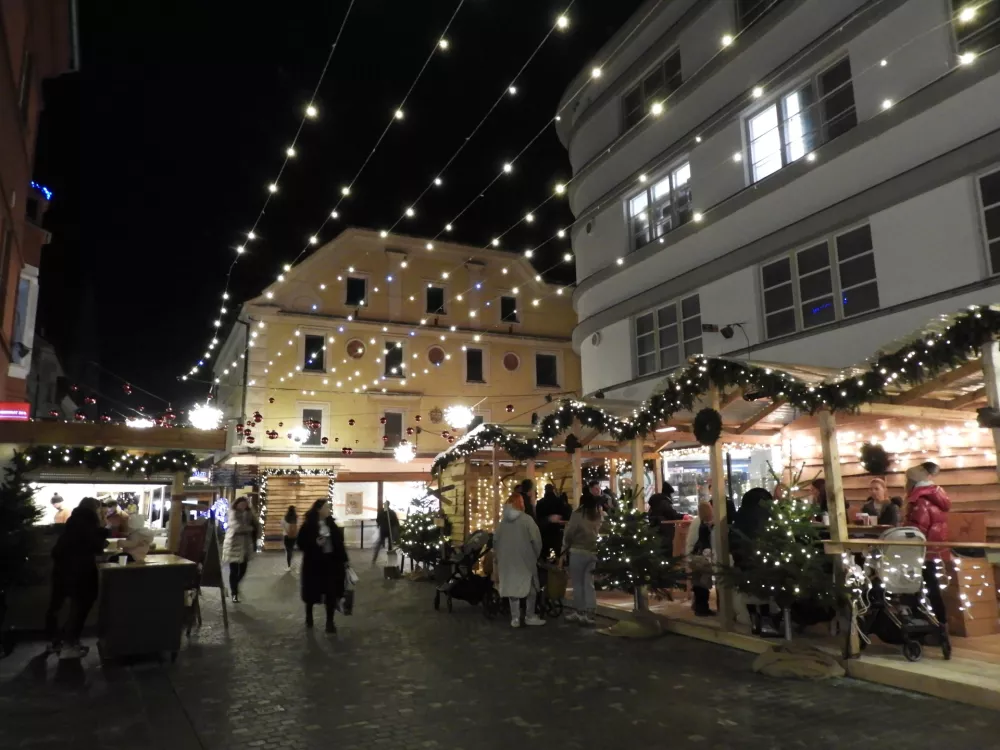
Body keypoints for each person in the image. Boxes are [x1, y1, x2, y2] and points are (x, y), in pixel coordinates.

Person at [45, 497, 109, 659]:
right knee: (79, 609)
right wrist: (103, 530)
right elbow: (97, 546)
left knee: (59, 607)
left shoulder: (74, 520)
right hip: (80, 573)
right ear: (94, 509)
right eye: (99, 509)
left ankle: (56, 642)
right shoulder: (88, 523)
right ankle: (69, 646)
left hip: (63, 571)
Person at [905, 465, 951, 623]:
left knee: (916, 585)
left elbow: (917, 530)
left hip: (921, 551)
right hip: (934, 549)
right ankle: (941, 622)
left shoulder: (920, 501)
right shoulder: (935, 498)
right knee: (932, 586)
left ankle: (924, 621)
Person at [731, 487, 778, 636]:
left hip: (743, 560)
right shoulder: (765, 515)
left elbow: (733, 538)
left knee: (749, 592)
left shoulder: (741, 514)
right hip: (762, 560)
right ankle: (766, 624)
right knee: (764, 593)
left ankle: (755, 622)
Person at [296, 498, 349, 632]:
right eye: (326, 507)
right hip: (314, 565)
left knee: (331, 593)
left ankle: (330, 622)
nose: (328, 510)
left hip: (331, 564)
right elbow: (301, 543)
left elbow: (339, 543)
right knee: (312, 593)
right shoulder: (308, 525)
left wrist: (344, 560)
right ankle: (309, 616)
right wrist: (315, 543)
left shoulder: (331, 524)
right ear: (319, 510)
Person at [493, 493, 545, 628]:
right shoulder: (527, 520)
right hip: (525, 560)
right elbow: (536, 540)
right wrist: (535, 555)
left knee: (513, 590)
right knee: (531, 589)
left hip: (508, 562)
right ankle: (530, 616)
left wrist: (499, 558)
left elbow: (496, 542)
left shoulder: (502, 523)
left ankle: (515, 618)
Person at [561, 491, 603, 626]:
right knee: (589, 583)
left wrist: (565, 546)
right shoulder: (598, 515)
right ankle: (590, 612)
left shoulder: (578, 514)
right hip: (592, 551)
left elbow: (570, 532)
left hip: (577, 551)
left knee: (577, 583)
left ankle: (580, 611)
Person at [685, 501, 716, 617]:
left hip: (694, 556)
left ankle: (699, 606)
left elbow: (691, 541)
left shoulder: (696, 522)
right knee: (703, 583)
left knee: (698, 583)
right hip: (703, 557)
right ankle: (702, 608)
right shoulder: (708, 524)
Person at [222, 497, 255, 603]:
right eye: (241, 504)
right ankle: (234, 593)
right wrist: (249, 528)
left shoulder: (249, 514)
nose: (243, 506)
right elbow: (237, 526)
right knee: (234, 571)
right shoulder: (232, 513)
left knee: (243, 570)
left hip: (245, 547)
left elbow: (256, 526)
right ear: (236, 504)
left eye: (245, 504)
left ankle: (235, 586)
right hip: (233, 546)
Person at [535, 484, 571, 562]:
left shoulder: (540, 503)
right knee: (559, 553)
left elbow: (538, 518)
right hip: (557, 530)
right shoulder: (559, 501)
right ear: (553, 490)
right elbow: (566, 514)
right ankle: (559, 564)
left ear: (545, 490)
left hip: (544, 532)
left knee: (544, 554)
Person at [648, 485, 683, 553]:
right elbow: (672, 515)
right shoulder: (664, 502)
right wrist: (683, 516)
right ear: (669, 494)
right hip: (665, 530)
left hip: (657, 530)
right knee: (667, 549)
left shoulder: (655, 503)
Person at [372, 500, 400, 565]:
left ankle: (389, 560)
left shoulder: (390, 512)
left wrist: (379, 524)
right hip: (385, 530)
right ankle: (376, 557)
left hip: (388, 530)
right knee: (382, 543)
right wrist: (379, 524)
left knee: (388, 544)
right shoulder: (384, 512)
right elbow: (378, 520)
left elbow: (395, 522)